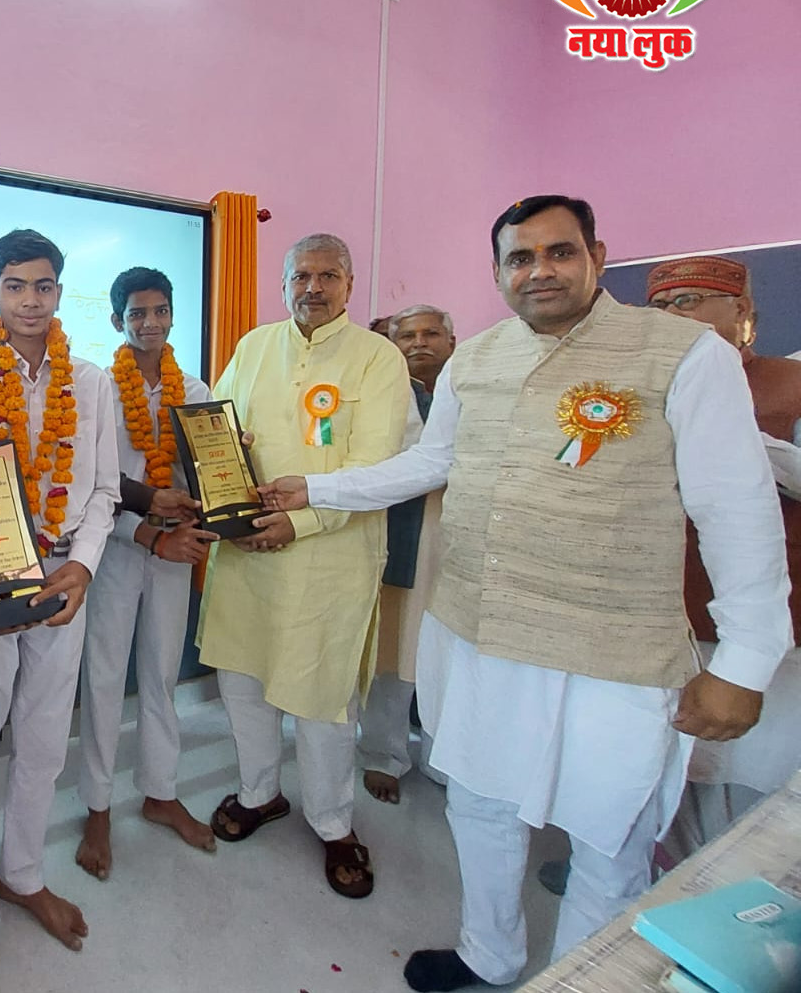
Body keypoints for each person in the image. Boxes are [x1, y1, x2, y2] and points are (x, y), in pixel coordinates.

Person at [262, 196, 792, 990]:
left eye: (559, 251)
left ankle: (580, 979)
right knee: (478, 805)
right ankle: (490, 954)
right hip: (479, 634)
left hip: (614, 652)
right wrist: (317, 485)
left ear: (596, 257)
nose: (539, 270)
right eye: (520, 257)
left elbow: (736, 508)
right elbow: (430, 462)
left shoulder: (682, 355)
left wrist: (744, 661)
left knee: (608, 837)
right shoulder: (475, 360)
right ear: (498, 271)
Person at [0, 229, 119, 993]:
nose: (31, 300)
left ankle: (23, 874)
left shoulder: (92, 381)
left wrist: (83, 567)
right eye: (16, 286)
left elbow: (104, 489)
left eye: (44, 286)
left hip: (65, 576)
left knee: (43, 742)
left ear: (59, 293)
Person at [199, 234, 408, 901]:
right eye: (300, 276)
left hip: (329, 559)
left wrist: (302, 521)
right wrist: (232, 513)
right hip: (247, 552)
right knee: (242, 682)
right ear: (284, 282)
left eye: (327, 275)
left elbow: (377, 469)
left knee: (322, 699)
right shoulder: (254, 346)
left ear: (349, 284)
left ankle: (333, 822)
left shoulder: (378, 358)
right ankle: (259, 792)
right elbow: (218, 434)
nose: (312, 287)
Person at [644, 256, 801, 853]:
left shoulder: (790, 382)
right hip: (661, 611)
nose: (671, 316)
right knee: (660, 761)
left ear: (743, 313)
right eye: (660, 306)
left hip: (766, 622)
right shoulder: (637, 391)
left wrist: (730, 437)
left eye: (687, 302)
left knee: (752, 772)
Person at [74, 266, 217, 881]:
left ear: (173, 316)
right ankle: (97, 806)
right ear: (117, 320)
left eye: (160, 311)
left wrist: (226, 478)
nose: (150, 322)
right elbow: (92, 481)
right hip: (114, 547)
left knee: (162, 673)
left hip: (175, 547)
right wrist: (145, 527)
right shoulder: (98, 389)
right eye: (137, 313)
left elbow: (207, 468)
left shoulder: (197, 389)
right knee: (105, 676)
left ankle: (160, 791)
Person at [359, 305, 456, 804]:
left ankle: (446, 758)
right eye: (407, 336)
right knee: (393, 652)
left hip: (460, 545)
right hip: (404, 536)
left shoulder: (471, 390)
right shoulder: (386, 393)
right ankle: (384, 754)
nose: (419, 343)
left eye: (431, 333)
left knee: (453, 657)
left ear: (452, 341)